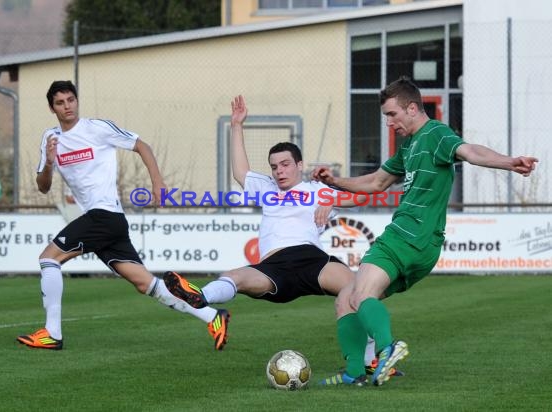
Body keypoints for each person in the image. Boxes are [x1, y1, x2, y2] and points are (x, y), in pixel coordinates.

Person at [312, 76, 538, 386]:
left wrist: (510, 162)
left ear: (413, 108)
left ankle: (387, 349)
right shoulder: (409, 147)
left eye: (392, 114)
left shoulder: (436, 134)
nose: (389, 123)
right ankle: (355, 373)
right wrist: (335, 182)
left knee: (360, 292)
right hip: (421, 245)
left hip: (408, 235)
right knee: (349, 298)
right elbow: (377, 182)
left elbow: (471, 151)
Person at [164, 95, 401, 380]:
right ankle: (201, 298)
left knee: (356, 291)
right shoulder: (266, 187)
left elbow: (364, 194)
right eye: (275, 166)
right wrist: (237, 126)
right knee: (234, 277)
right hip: (273, 266)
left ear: (299, 165)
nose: (279, 171)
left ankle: (370, 361)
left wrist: (331, 198)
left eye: (286, 164)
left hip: (312, 259)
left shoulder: (317, 188)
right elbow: (240, 171)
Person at [16, 80, 227, 351]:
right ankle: (212, 316)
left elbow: (143, 146)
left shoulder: (97, 129)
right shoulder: (51, 139)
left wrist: (158, 184)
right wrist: (48, 161)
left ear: (77, 101)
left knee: (49, 258)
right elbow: (43, 187)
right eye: (60, 102)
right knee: (145, 284)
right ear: (52, 108)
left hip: (104, 215)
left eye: (71, 99)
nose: (67, 106)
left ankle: (52, 333)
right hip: (107, 221)